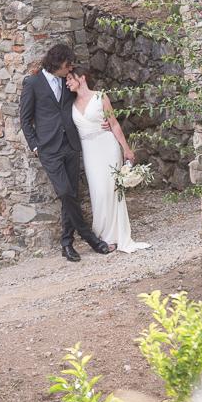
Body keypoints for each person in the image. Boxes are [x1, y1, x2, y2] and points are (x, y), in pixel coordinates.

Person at [19, 43, 111, 262]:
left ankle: (67, 244)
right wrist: (35, 146)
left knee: (72, 194)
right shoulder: (32, 83)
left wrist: (102, 123)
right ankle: (89, 237)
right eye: (67, 66)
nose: (69, 70)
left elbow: (84, 101)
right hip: (48, 149)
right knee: (65, 193)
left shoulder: (66, 81)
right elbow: (24, 119)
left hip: (70, 145)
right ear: (57, 64)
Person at [66, 66, 150, 254]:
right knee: (98, 191)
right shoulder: (69, 103)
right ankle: (103, 236)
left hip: (107, 145)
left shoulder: (100, 97)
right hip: (89, 150)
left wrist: (126, 148)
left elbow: (113, 123)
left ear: (82, 78)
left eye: (70, 79)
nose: (67, 82)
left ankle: (115, 237)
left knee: (112, 190)